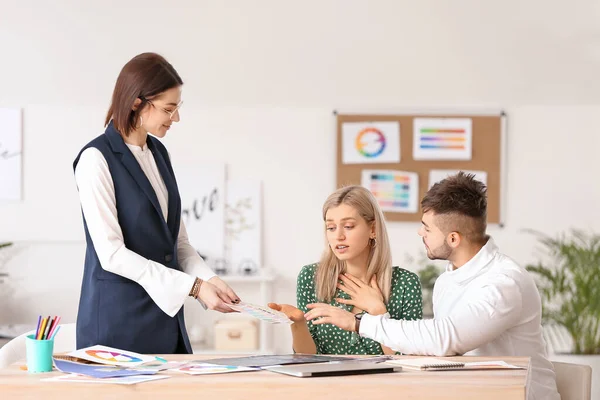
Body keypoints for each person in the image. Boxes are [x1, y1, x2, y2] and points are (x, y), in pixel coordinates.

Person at [304, 173, 559, 399]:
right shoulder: (448, 280)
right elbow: (434, 354)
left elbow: (442, 339)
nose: (420, 233)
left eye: (427, 228)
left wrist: (359, 322)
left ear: (453, 238)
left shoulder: (504, 283)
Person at [73, 52, 240, 354]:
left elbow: (177, 242)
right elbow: (111, 254)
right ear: (137, 103)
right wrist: (193, 287)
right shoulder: (95, 160)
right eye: (168, 109)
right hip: (118, 324)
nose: (176, 118)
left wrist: (209, 279)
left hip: (166, 318)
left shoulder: (159, 155)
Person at [269, 185, 422, 355]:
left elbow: (409, 360)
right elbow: (309, 357)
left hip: (382, 381)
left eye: (348, 226)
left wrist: (378, 311)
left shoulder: (406, 283)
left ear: (373, 229)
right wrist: (298, 324)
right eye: (331, 227)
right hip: (327, 380)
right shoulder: (311, 277)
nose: (338, 236)